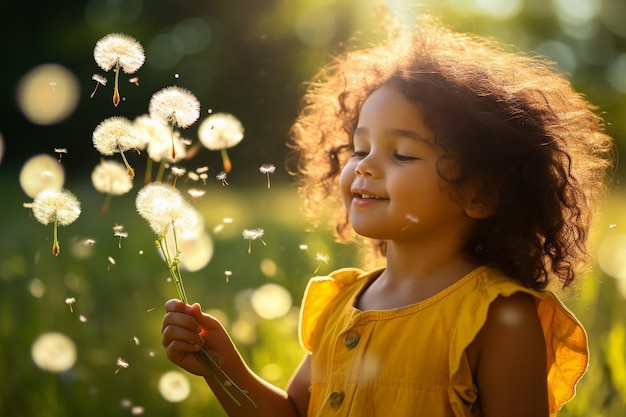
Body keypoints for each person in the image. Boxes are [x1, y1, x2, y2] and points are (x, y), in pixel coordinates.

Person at [161, 15, 614, 417]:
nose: (365, 166)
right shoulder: (341, 304)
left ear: (478, 193)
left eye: (401, 154)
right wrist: (224, 370)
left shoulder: (496, 319)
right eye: (359, 149)